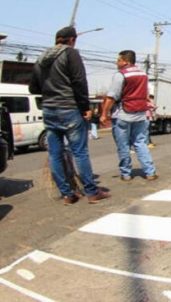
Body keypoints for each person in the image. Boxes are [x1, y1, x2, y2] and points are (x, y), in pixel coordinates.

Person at [29, 26, 110, 205]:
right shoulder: (71, 54)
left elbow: (33, 88)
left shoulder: (41, 57)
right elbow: (79, 81)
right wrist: (85, 107)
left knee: (55, 154)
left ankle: (67, 194)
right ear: (72, 40)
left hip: (49, 110)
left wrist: (49, 89)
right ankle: (91, 191)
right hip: (69, 108)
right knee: (80, 152)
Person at [100, 50, 158, 182]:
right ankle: (150, 172)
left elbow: (111, 97)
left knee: (123, 145)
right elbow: (145, 95)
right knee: (140, 143)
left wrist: (104, 113)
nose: (117, 62)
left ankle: (126, 173)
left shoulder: (121, 75)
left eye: (118, 60)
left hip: (123, 114)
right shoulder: (143, 74)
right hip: (141, 114)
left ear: (126, 61)